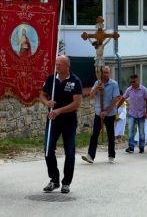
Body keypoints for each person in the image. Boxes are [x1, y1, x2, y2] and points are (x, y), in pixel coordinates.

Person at [40, 55, 83, 193]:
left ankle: (66, 183)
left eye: (60, 64)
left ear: (67, 66)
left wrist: (59, 110)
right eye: (56, 64)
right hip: (53, 120)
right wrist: (47, 103)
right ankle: (54, 180)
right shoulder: (51, 79)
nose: (57, 67)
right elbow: (42, 95)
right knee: (48, 149)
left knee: (69, 152)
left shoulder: (75, 81)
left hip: (69, 121)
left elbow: (76, 103)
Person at [81, 66, 120, 164]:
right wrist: (96, 89)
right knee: (94, 134)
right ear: (101, 73)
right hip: (98, 113)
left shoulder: (114, 84)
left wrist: (106, 111)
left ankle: (111, 156)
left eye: (108, 73)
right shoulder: (97, 83)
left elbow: (115, 99)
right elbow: (90, 96)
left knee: (111, 135)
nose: (106, 74)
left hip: (110, 113)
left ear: (109, 73)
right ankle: (90, 156)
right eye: (104, 73)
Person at [117, 74, 147, 153]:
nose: (132, 83)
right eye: (131, 82)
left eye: (134, 81)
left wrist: (146, 112)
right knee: (131, 131)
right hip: (132, 113)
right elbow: (123, 98)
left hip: (141, 114)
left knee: (141, 132)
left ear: (137, 80)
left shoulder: (143, 89)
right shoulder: (129, 89)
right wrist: (116, 107)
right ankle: (131, 147)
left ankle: (141, 147)